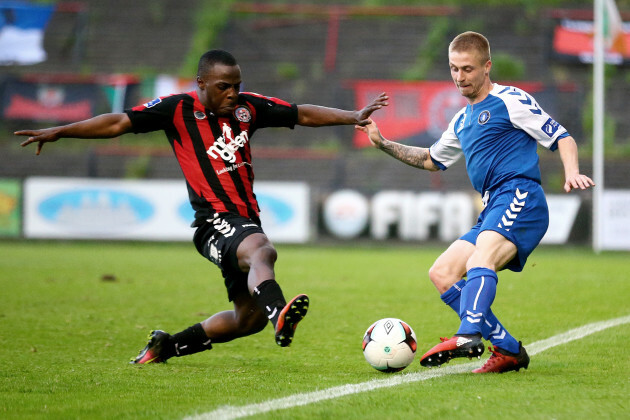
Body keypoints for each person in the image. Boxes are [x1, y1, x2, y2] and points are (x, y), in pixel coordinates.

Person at [16, 49, 389, 364]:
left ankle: (168, 346)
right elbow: (117, 123)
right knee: (262, 249)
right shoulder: (176, 109)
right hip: (213, 221)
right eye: (223, 86)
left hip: (243, 218)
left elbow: (301, 113)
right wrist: (61, 130)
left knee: (247, 320)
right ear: (202, 84)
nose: (232, 93)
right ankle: (279, 314)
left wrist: (352, 116)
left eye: (237, 85)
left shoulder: (248, 109)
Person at [355, 31, 594, 373]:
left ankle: (468, 334)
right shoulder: (462, 119)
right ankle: (509, 350)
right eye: (453, 69)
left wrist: (572, 171)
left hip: (520, 196)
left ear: (487, 67)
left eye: (467, 69)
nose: (459, 77)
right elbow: (430, 159)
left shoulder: (510, 100)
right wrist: (383, 143)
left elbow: (561, 136)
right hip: (492, 206)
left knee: (479, 258)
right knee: (442, 273)